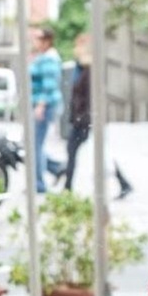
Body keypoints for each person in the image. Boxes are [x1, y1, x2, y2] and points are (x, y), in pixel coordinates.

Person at [49, 33, 132, 198]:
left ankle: (67, 186)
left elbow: (90, 98)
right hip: (82, 119)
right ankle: (123, 182)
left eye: (78, 46)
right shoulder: (80, 68)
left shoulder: (90, 70)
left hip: (86, 120)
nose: (74, 49)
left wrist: (84, 118)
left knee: (79, 151)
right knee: (87, 152)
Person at [28, 28, 62, 193]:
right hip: (40, 105)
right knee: (33, 144)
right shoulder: (43, 58)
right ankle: (56, 168)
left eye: (38, 38)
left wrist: (40, 106)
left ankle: (39, 183)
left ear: (47, 41)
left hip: (43, 106)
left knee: (36, 145)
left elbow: (49, 85)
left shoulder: (49, 59)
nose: (34, 41)